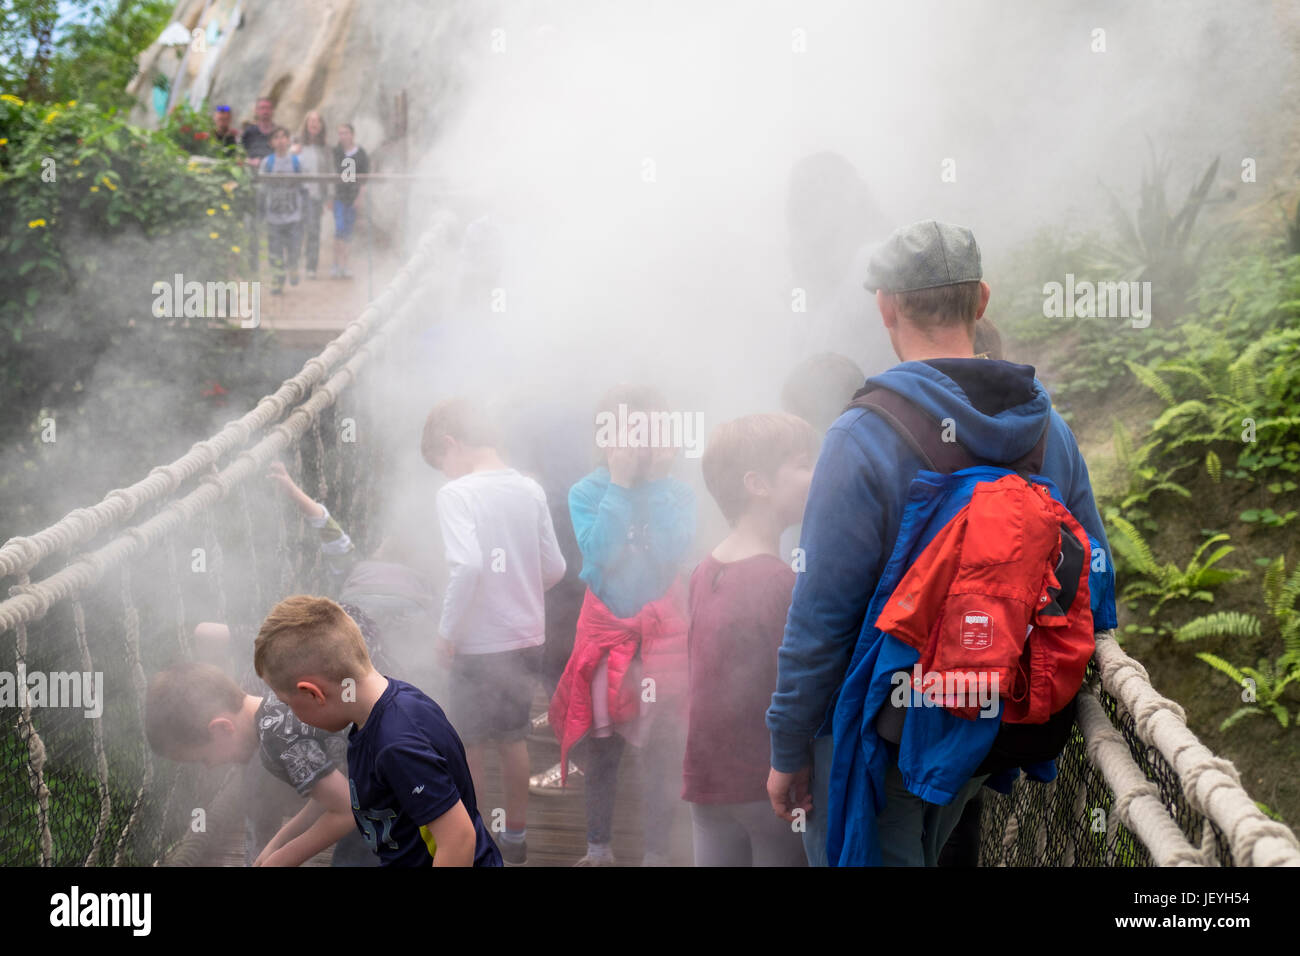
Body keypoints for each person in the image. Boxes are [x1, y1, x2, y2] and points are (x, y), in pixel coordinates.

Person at [766, 220, 1116, 866]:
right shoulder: (1046, 430)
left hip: (880, 730)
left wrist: (788, 747)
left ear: (886, 306)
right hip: (987, 724)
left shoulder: (861, 435)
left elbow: (821, 617)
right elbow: (1094, 573)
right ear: (981, 301)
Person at [548, 385, 696, 866]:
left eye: (652, 431)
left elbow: (673, 552)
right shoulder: (586, 491)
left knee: (660, 751)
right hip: (607, 640)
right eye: (631, 430)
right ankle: (598, 848)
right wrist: (620, 485)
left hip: (661, 644)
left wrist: (656, 484)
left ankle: (655, 852)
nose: (642, 441)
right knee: (603, 748)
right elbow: (600, 555)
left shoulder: (678, 492)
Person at [420, 398, 567, 865]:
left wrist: (446, 632)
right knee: (513, 737)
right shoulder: (529, 489)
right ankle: (517, 841)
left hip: (478, 644)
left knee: (470, 743)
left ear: (451, 444)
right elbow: (557, 568)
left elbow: (466, 565)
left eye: (441, 462)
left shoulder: (457, 494)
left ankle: (476, 838)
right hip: (526, 636)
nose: (444, 473)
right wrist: (518, 587)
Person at [254, 595, 502, 866]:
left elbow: (458, 840)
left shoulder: (397, 743)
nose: (292, 712)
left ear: (313, 693)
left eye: (290, 704)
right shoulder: (384, 709)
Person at [685, 414, 815, 867]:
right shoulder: (780, 583)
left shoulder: (705, 571)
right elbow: (798, 688)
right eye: (803, 464)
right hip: (768, 787)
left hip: (707, 782)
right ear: (757, 483)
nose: (816, 475)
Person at [146, 660, 375, 867]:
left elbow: (346, 810)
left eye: (204, 758)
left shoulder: (278, 739)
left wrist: (285, 858)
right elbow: (332, 797)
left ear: (221, 728)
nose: (211, 766)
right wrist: (277, 844)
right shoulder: (275, 704)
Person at [260, 127, 307, 294]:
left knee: (294, 248)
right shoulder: (267, 163)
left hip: (293, 214)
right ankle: (277, 280)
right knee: (275, 251)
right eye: (276, 137)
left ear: (288, 140)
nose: (280, 141)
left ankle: (293, 268)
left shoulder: (296, 162)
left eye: (283, 137)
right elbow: (262, 188)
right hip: (274, 215)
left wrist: (305, 210)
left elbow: (303, 186)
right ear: (271, 142)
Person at [239, 97, 276, 273]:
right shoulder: (249, 132)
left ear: (272, 110)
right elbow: (239, 154)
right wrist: (249, 161)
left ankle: (275, 265)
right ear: (256, 110)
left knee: (274, 225)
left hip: (274, 186)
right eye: (261, 108)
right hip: (253, 184)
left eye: (267, 108)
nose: (265, 111)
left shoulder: (278, 132)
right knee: (253, 226)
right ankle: (253, 265)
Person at [331, 123, 370, 279]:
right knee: (339, 229)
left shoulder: (361, 154)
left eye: (345, 133)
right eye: (340, 133)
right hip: (339, 197)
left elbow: (364, 179)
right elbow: (331, 173)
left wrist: (360, 197)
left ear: (352, 134)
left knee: (348, 232)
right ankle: (336, 264)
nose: (342, 136)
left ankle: (345, 265)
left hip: (353, 197)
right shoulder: (336, 152)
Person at [293, 111, 329, 279]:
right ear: (306, 125)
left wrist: (328, 198)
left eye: (317, 121)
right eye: (311, 121)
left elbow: (330, 172)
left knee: (314, 231)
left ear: (321, 126)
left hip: (316, 196)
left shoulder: (325, 149)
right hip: (299, 195)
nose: (314, 124)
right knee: (297, 230)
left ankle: (311, 267)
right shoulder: (297, 147)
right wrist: (293, 152)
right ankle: (294, 264)